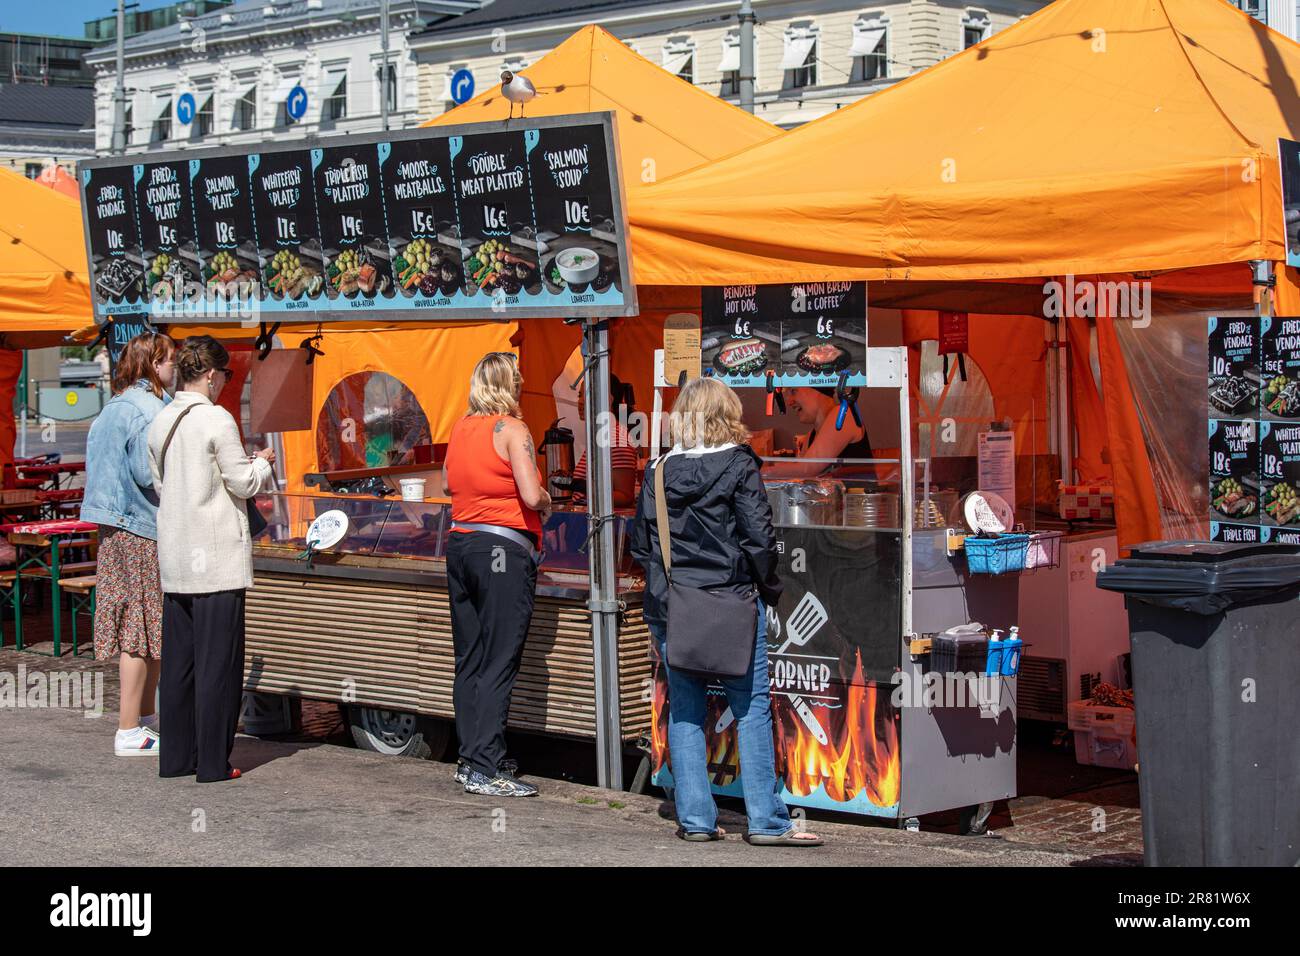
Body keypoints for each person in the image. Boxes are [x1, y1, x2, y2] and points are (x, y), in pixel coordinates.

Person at [630, 377, 823, 846]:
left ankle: (695, 819)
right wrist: (770, 587)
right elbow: (759, 538)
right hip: (732, 599)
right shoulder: (739, 465)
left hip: (676, 604)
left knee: (685, 709)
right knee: (752, 706)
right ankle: (766, 821)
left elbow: (640, 545)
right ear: (726, 415)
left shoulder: (656, 470)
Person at [147, 336, 276, 783]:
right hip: (216, 559)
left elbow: (160, 484)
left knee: (180, 667)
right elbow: (242, 483)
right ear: (209, 375)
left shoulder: (161, 420)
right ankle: (213, 765)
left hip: (177, 557)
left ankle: (177, 757)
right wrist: (263, 463)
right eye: (225, 375)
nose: (225, 383)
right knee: (218, 666)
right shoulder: (216, 419)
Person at [444, 352, 550, 797]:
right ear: (510, 384)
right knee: (499, 658)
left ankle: (471, 758)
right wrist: (547, 500)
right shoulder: (512, 429)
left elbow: (450, 485)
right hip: (501, 549)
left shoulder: (461, 428)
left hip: (461, 542)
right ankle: (486, 767)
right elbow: (529, 492)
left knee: (470, 656)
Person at [82, 331, 176, 756]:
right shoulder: (149, 409)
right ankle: (127, 728)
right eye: (171, 360)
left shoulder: (113, 407)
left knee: (137, 624)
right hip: (140, 527)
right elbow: (147, 472)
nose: (176, 367)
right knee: (140, 629)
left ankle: (144, 720)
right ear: (154, 364)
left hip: (114, 529)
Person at [570, 373, 638, 507]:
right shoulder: (602, 436)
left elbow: (625, 496)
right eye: (580, 395)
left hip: (605, 525)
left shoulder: (616, 438)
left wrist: (584, 489)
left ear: (609, 400)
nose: (581, 401)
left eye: (586, 395)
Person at [775, 386, 874, 478]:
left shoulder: (842, 415)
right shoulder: (810, 436)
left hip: (858, 496)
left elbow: (806, 469)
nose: (789, 402)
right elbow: (800, 475)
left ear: (818, 391)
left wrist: (762, 471)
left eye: (793, 391)